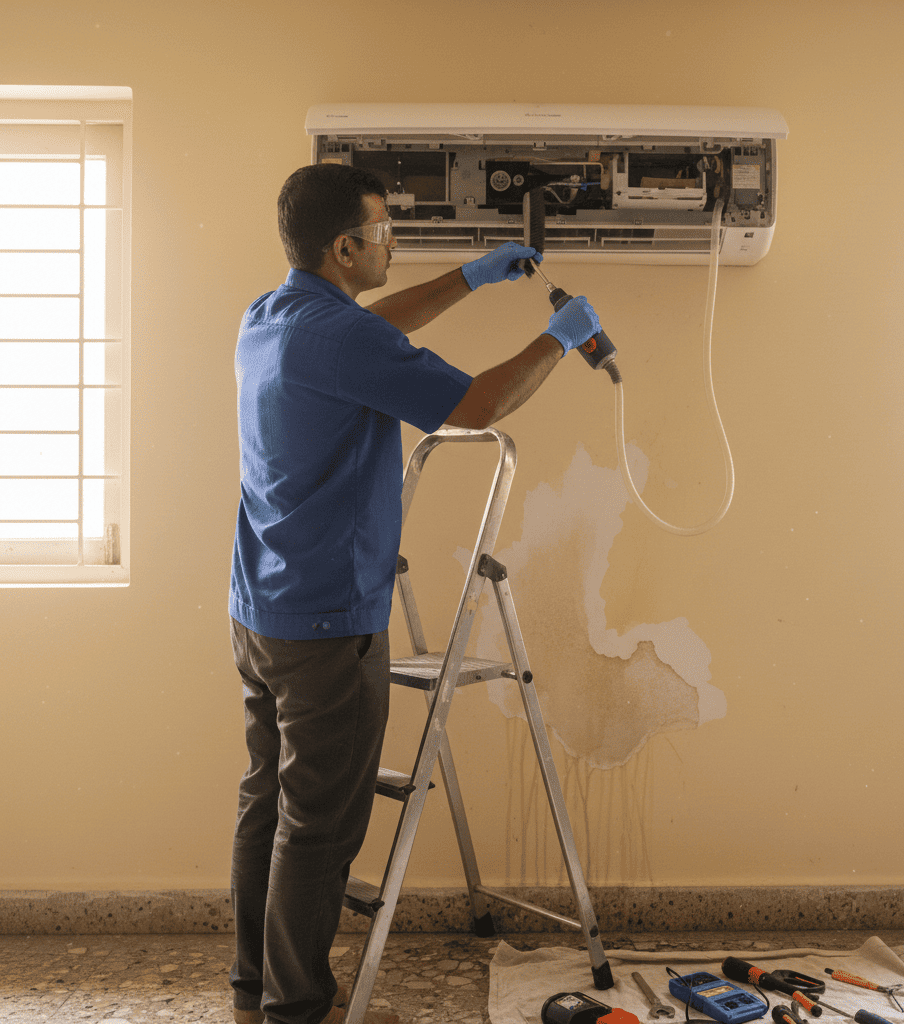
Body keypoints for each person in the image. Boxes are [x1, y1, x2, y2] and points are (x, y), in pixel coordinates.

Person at [228, 164, 601, 1024]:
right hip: (328, 620)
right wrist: (560, 338)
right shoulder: (342, 337)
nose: (394, 239)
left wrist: (468, 280)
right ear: (346, 247)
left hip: (263, 610)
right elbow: (472, 407)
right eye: (384, 229)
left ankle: (257, 991)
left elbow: (366, 331)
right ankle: (300, 1010)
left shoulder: (273, 315)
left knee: (269, 805)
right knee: (319, 828)